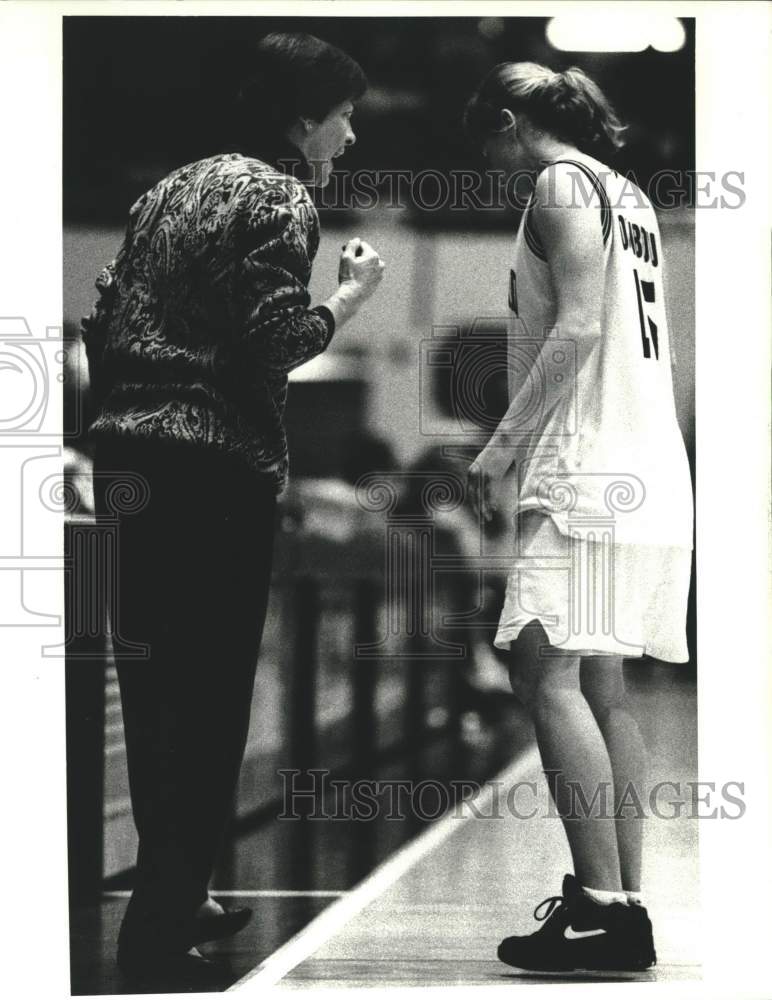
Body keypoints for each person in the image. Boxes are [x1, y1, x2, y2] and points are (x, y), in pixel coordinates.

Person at [80, 32, 384, 987]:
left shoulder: (167, 189)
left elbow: (107, 315)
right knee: (210, 703)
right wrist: (350, 296)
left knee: (153, 691)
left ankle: (178, 890)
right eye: (343, 116)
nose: (352, 134)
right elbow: (273, 344)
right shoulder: (280, 194)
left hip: (125, 459)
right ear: (302, 121)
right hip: (212, 471)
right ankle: (165, 922)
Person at [463, 62, 693, 973]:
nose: (484, 166)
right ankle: (621, 902)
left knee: (541, 671)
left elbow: (581, 331)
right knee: (603, 687)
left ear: (512, 122)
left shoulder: (559, 183)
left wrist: (500, 446)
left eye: (486, 143)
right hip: (647, 466)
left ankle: (600, 907)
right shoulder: (627, 193)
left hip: (587, 464)